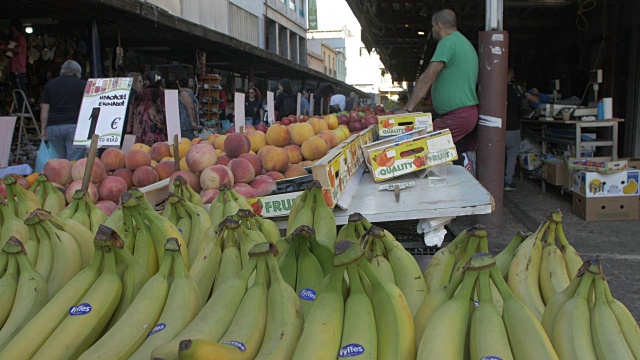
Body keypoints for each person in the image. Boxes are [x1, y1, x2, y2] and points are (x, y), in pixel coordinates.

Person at [405, 9, 478, 165]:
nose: (432, 30)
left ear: (438, 25)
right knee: (452, 157)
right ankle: (463, 166)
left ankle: (464, 167)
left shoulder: (448, 42)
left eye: (432, 26)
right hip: (464, 115)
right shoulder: (464, 43)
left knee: (418, 145)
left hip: (458, 117)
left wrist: (408, 110)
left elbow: (428, 77)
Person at [39, 60, 86, 161]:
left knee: (58, 163)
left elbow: (44, 109)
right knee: (73, 163)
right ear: (78, 71)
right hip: (75, 127)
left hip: (53, 127)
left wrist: (43, 129)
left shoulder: (50, 84)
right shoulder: (83, 85)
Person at [127, 70, 167, 145]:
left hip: (139, 139)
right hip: (159, 140)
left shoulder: (137, 96)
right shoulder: (164, 96)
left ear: (147, 82)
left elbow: (130, 121)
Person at [1, 19, 28, 103]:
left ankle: (24, 105)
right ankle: (19, 105)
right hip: (12, 67)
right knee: (15, 88)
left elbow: (18, 49)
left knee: (20, 87)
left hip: (18, 67)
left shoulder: (21, 38)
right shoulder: (13, 38)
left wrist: (4, 48)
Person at [178, 74, 199, 140]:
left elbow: (190, 107)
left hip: (185, 124)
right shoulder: (189, 92)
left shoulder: (184, 94)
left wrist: (192, 122)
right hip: (187, 125)